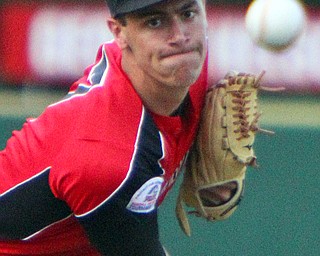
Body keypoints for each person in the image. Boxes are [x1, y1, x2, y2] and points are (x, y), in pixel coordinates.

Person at [0, 0, 232, 255]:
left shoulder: (183, 62)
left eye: (188, 13)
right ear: (119, 33)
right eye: (154, 21)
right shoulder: (108, 159)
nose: (179, 35)